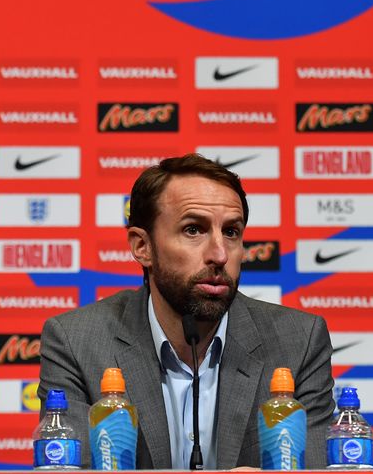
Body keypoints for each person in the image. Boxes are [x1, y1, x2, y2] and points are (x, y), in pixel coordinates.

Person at [38, 153, 335, 469]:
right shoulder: (76, 342)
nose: (219, 254)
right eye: (193, 230)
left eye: (231, 232)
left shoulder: (298, 341)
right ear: (142, 246)